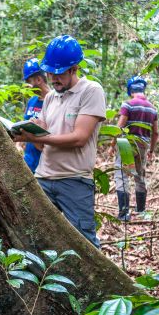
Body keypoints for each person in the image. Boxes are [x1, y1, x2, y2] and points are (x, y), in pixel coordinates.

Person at [13, 35, 106, 248]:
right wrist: (27, 132)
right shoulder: (51, 98)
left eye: (59, 73)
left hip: (74, 180)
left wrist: (37, 136)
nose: (53, 78)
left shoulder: (91, 91)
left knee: (84, 243)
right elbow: (42, 142)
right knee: (36, 239)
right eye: (49, 73)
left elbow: (79, 138)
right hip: (43, 178)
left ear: (74, 69)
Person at [109, 76, 159, 221]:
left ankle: (124, 213)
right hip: (142, 145)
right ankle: (141, 210)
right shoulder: (152, 109)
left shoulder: (128, 105)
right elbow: (155, 133)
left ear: (131, 90)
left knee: (122, 176)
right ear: (143, 90)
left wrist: (112, 145)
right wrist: (151, 150)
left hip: (126, 145)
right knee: (139, 176)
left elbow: (119, 127)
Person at [21, 58, 50, 173]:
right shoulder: (31, 101)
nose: (27, 86)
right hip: (29, 161)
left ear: (39, 79)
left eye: (29, 81)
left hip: (44, 163)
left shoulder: (54, 101)